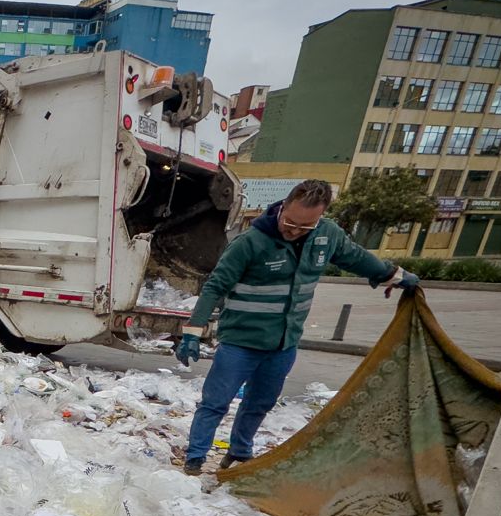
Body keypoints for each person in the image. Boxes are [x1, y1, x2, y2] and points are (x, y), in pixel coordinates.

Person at [175, 179, 418, 474]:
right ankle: (196, 457)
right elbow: (215, 286)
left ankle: (239, 452)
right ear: (282, 207)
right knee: (215, 402)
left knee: (259, 403)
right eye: (289, 222)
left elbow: (356, 258)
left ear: (320, 217)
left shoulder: (326, 237)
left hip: (283, 345)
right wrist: (192, 331)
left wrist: (393, 275)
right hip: (240, 343)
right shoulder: (251, 243)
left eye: (304, 227)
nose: (293, 231)